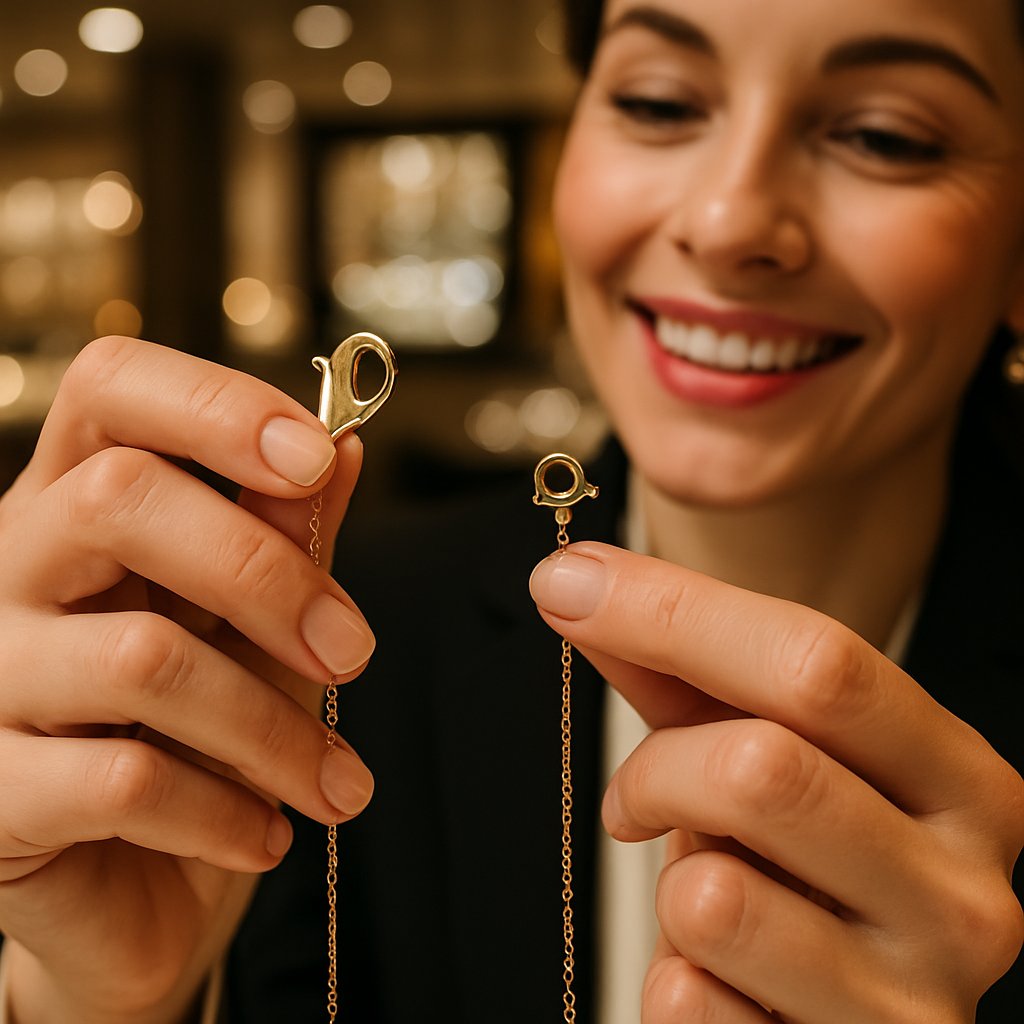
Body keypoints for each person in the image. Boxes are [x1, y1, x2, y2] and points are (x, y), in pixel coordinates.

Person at [1, 0, 1022, 1021]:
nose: (726, 223)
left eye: (885, 135)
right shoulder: (337, 651)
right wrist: (97, 998)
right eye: (657, 102)